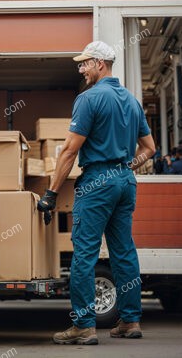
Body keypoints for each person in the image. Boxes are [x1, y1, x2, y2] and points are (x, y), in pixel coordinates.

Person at [37, 41, 156, 345]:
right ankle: (130, 321)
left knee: (85, 255)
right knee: (124, 252)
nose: (81, 69)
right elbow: (150, 150)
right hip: (125, 181)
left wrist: (51, 193)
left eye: (85, 63)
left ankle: (83, 326)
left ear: (100, 63)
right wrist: (127, 165)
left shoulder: (88, 99)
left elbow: (69, 151)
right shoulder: (131, 101)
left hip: (97, 181)